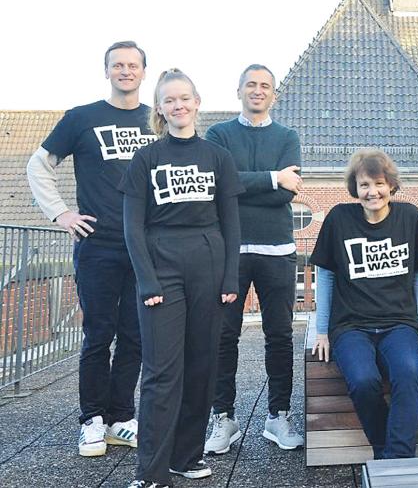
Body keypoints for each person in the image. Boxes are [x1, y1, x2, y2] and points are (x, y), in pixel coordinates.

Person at [26, 41, 155, 457]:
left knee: (135, 337)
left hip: (144, 249)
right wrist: (61, 213)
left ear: (143, 71)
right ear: (107, 71)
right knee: (99, 335)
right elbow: (38, 166)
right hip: (96, 246)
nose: (125, 71)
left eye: (132, 65)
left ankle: (122, 419)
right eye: (117, 65)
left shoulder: (157, 118)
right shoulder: (81, 118)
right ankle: (92, 421)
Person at [120, 69, 244, 486]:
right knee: (161, 372)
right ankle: (152, 472)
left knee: (202, 365)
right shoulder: (146, 159)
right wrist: (147, 281)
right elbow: (132, 227)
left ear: (197, 103)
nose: (178, 105)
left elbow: (231, 223)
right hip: (162, 265)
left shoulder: (217, 157)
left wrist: (231, 279)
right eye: (169, 100)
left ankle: (186, 457)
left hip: (208, 265)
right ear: (160, 108)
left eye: (185, 98)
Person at [204, 64, 304, 454]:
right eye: (251, 85)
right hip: (229, 251)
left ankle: (278, 416)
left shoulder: (287, 136)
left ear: (273, 95)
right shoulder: (219, 134)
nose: (258, 91)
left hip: (277, 250)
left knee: (279, 335)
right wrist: (272, 177)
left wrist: (258, 182)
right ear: (239, 91)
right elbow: (219, 184)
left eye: (265, 86)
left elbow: (286, 194)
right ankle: (223, 418)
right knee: (224, 336)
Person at [309, 149, 418, 460]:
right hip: (350, 325)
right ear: (355, 188)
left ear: (391, 185)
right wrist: (321, 331)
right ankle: (385, 451)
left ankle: (398, 462)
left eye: (379, 183)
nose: (372, 192)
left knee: (408, 373)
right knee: (364, 381)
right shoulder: (339, 218)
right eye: (364, 185)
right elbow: (325, 277)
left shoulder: (411, 217)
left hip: (399, 323)